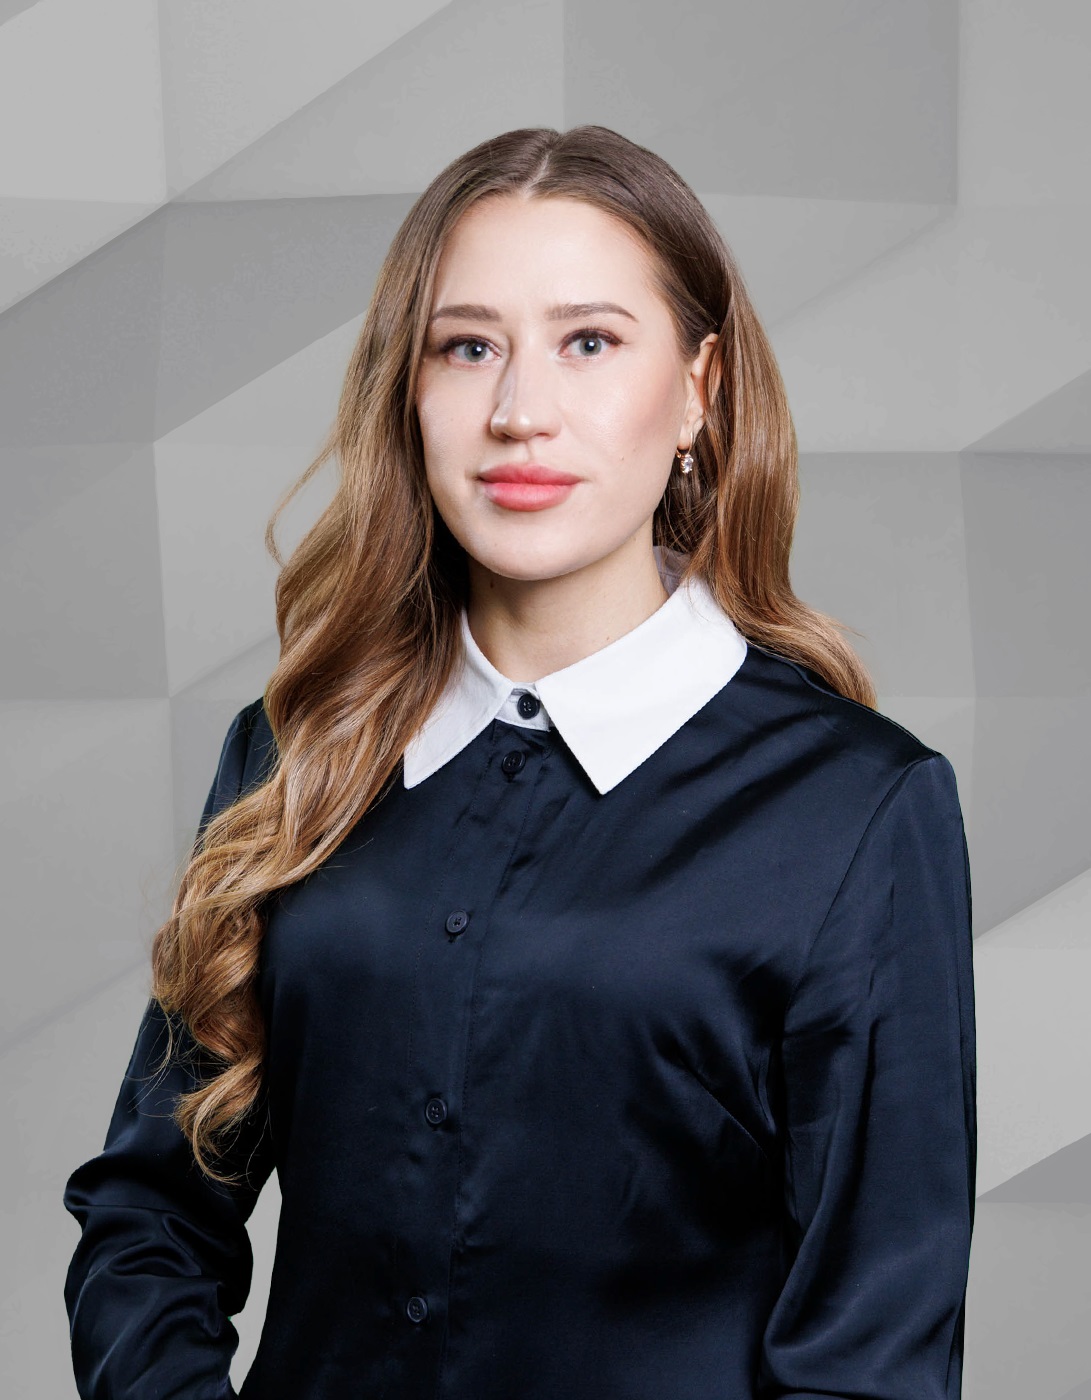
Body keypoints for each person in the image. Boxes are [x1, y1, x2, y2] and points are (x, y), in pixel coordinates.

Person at [62, 124, 977, 1400]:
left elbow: (868, 1355)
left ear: (697, 388)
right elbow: (147, 1220)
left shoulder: (855, 808)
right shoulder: (296, 752)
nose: (518, 412)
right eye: (468, 346)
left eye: (588, 341)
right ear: (410, 388)